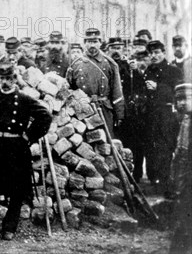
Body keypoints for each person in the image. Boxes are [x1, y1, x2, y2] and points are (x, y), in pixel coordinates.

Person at [0, 62, 51, 241]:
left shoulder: (24, 99)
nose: (6, 82)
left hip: (16, 149)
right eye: (3, 78)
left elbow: (45, 115)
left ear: (15, 79)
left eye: (9, 78)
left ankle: (9, 228)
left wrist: (29, 137)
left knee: (17, 190)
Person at [66, 28, 124, 138]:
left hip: (104, 110)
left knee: (106, 144)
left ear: (100, 43)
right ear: (84, 43)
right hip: (83, 110)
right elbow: (69, 89)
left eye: (95, 41)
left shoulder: (110, 64)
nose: (92, 45)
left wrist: (119, 115)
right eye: (89, 42)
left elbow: (117, 92)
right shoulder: (75, 64)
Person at [144, 40, 183, 194]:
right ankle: (154, 181)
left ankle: (165, 183)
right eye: (151, 53)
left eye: (156, 53)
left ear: (163, 53)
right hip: (150, 116)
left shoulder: (174, 71)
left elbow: (178, 93)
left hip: (167, 116)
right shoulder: (148, 70)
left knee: (165, 149)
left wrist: (158, 87)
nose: (153, 56)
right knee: (151, 149)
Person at [119, 50, 151, 182]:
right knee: (125, 143)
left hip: (138, 113)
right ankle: (125, 174)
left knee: (138, 145)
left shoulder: (135, 71)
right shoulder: (116, 67)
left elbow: (140, 87)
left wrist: (136, 72)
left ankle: (136, 174)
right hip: (123, 112)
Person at [169, 83, 192, 253]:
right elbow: (179, 153)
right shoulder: (185, 120)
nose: (182, 103)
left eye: (187, 98)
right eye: (179, 100)